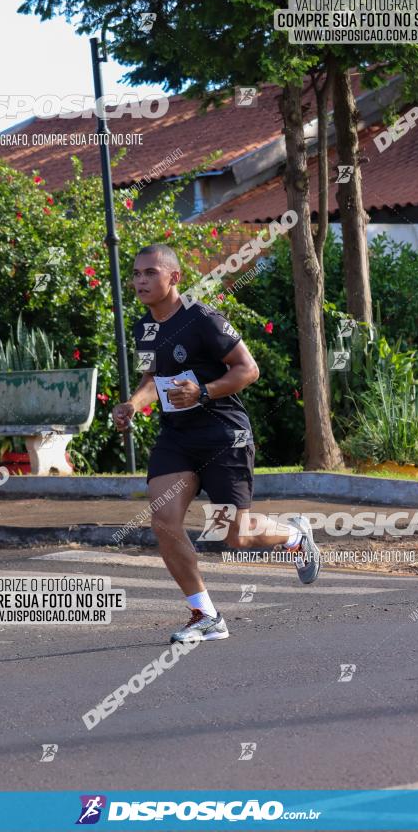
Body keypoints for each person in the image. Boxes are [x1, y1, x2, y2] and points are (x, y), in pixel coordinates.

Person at [112, 243, 320, 644]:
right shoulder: (144, 328)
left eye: (150, 272)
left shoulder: (202, 319)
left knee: (234, 534)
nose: (140, 280)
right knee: (163, 519)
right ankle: (205, 615)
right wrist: (133, 405)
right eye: (137, 273)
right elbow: (152, 378)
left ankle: (294, 535)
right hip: (177, 438)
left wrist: (204, 392)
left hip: (224, 435)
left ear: (174, 277)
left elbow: (249, 369)